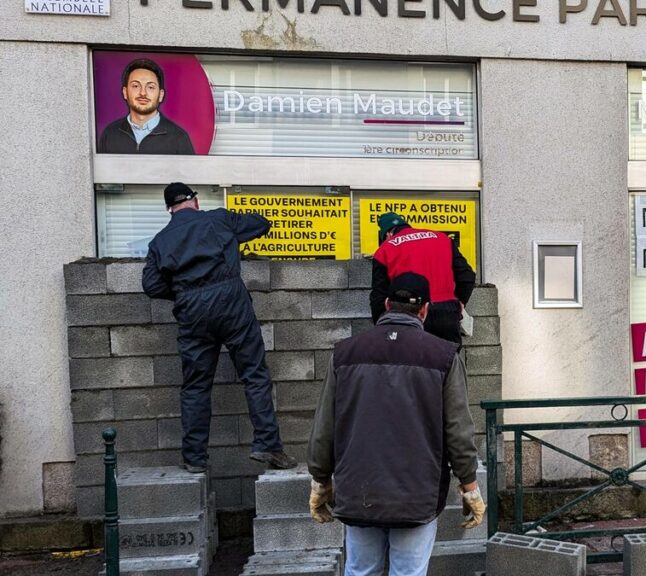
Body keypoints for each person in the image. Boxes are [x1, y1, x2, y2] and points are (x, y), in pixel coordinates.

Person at [307, 272, 485, 576]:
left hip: (359, 490)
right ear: (425, 310)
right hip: (417, 493)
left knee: (361, 570)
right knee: (409, 572)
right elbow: (458, 431)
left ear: (387, 304)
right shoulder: (444, 356)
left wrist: (320, 480)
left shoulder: (344, 353)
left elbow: (325, 425)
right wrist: (469, 486)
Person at [142, 182, 295, 473]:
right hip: (231, 302)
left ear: (169, 210)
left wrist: (183, 290)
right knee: (254, 375)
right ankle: (267, 445)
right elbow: (262, 224)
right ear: (195, 202)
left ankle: (194, 458)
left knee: (196, 386)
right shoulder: (219, 219)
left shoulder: (160, 241)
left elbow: (151, 285)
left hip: (191, 310)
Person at [370, 212, 475, 345]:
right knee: (449, 361)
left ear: (388, 234)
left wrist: (381, 328)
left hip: (410, 316)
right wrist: (459, 303)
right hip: (447, 313)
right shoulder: (442, 239)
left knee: (413, 363)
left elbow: (378, 297)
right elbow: (467, 276)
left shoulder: (385, 250)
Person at [97, 58, 195, 154]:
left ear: (161, 95)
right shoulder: (110, 133)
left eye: (150, 87)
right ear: (125, 92)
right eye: (136, 86)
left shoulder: (178, 137)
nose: (143, 93)